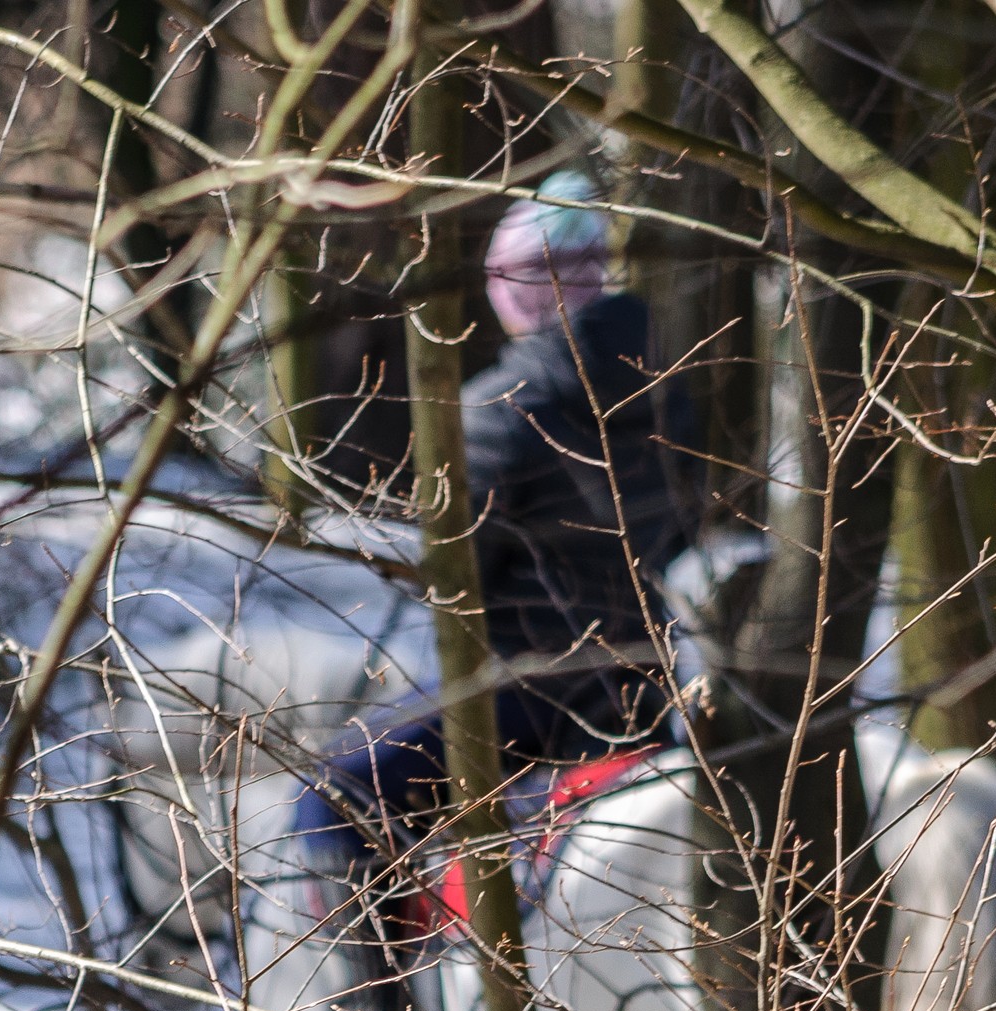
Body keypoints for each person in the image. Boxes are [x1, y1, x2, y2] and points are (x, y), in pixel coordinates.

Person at [291, 173, 699, 927]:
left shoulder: (498, 405)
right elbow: (681, 537)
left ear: (521, 285)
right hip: (645, 688)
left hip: (528, 693)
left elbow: (453, 575)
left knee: (335, 798)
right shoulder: (670, 393)